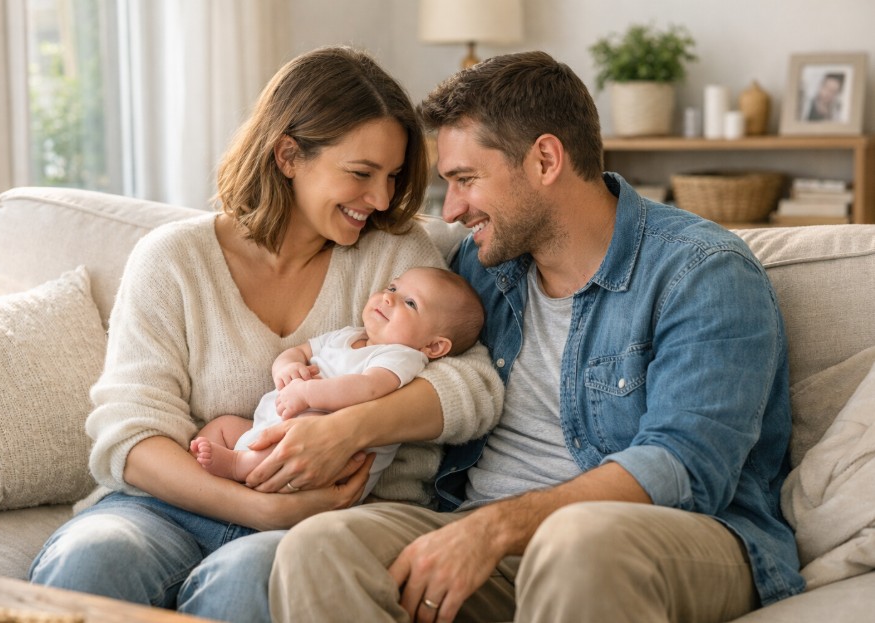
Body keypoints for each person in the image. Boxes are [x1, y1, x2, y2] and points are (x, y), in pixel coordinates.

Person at [270, 51, 805, 622]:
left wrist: (497, 527)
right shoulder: (481, 271)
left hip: (672, 541)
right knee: (320, 547)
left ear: (546, 159)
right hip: (481, 539)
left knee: (576, 542)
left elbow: (684, 468)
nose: (450, 211)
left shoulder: (701, 272)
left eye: (466, 180)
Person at [27, 46, 503, 623]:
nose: (380, 200)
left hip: (326, 522)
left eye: (392, 176)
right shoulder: (174, 260)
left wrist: (351, 429)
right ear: (288, 155)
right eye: (360, 174)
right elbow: (129, 434)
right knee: (91, 561)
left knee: (249, 579)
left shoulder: (394, 259)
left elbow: (473, 383)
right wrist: (255, 506)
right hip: (169, 508)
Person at [191, 266, 485, 500]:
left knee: (308, 424)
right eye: (392, 288)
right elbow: (301, 351)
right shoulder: (348, 335)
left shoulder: (402, 357)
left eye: (410, 303)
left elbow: (367, 388)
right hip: (270, 426)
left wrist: (308, 392)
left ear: (434, 347)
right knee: (224, 425)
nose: (388, 298)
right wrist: (288, 366)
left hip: (325, 459)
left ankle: (235, 465)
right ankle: (204, 471)